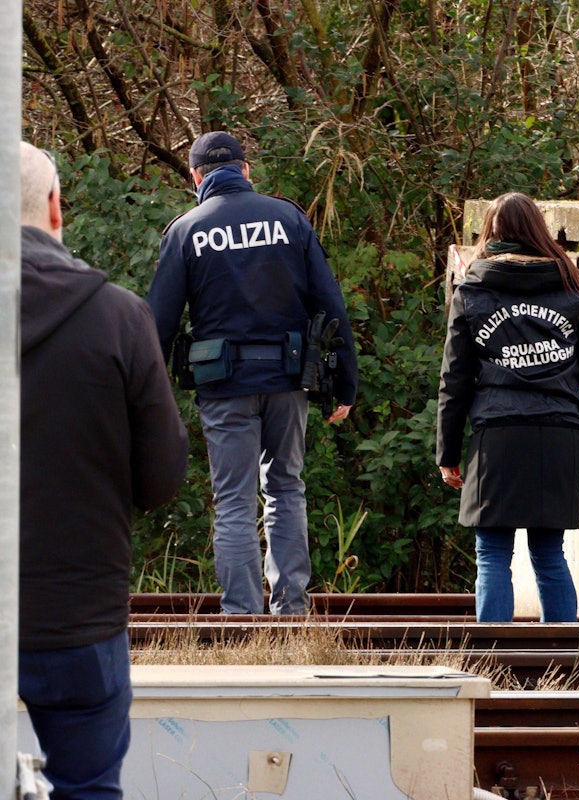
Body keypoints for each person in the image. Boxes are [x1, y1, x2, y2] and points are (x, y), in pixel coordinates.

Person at [18, 141, 189, 798]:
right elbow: (161, 479)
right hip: (77, 621)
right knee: (88, 787)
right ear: (55, 207)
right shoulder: (119, 316)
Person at [146, 130, 359, 616]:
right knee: (286, 488)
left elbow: (157, 323)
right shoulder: (290, 219)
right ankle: (291, 610)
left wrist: (145, 398)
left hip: (223, 388)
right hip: (288, 380)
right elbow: (330, 303)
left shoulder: (187, 230)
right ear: (246, 170)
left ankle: (241, 614)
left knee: (234, 500)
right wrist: (345, 381)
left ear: (195, 177)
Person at [436, 192, 579, 622]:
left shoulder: (471, 291)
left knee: (491, 554)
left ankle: (494, 660)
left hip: (497, 436)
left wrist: (447, 454)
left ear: (491, 232)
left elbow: (453, 382)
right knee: (549, 553)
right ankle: (561, 665)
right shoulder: (571, 290)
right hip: (559, 435)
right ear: (538, 233)